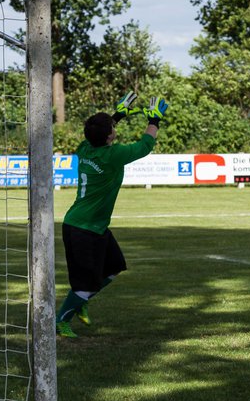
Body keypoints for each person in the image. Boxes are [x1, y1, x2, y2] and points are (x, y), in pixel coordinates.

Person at [55, 92, 167, 338]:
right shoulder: (112, 156)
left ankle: (80, 300)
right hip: (84, 230)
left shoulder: (84, 148)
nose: (114, 131)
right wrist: (154, 120)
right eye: (112, 128)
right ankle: (61, 321)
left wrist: (116, 116)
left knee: (115, 266)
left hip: (87, 226)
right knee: (85, 285)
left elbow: (101, 131)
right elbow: (145, 146)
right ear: (109, 136)